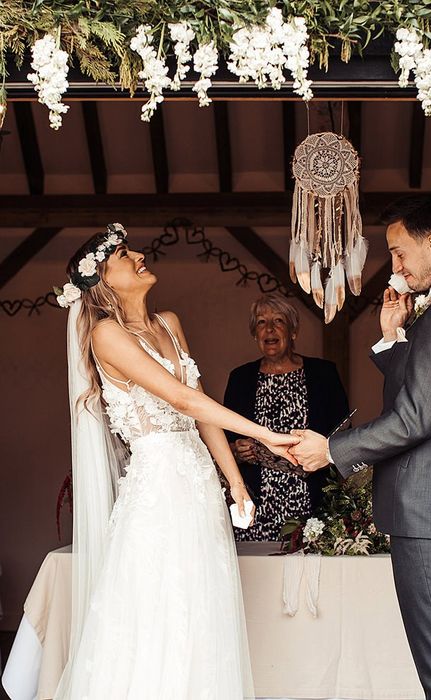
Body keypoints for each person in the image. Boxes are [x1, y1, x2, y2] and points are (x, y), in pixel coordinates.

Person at [52, 224, 298, 699]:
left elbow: (201, 409)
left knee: (203, 604)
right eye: (125, 255)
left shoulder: (169, 322)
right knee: (162, 606)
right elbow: (183, 401)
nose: (139, 256)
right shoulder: (106, 336)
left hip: (200, 484)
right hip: (159, 489)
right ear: (102, 278)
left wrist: (236, 482)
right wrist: (268, 434)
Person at [292, 195, 431, 700]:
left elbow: (414, 418)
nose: (396, 267)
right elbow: (428, 396)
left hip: (430, 513)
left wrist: (332, 450)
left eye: (399, 252)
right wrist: (393, 340)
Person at [223, 294, 349, 541]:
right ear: (254, 334)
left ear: (293, 331)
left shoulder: (323, 373)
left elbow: (343, 431)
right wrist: (237, 450)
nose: (269, 329)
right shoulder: (240, 378)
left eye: (278, 321)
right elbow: (223, 438)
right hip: (259, 500)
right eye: (261, 323)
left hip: (312, 497)